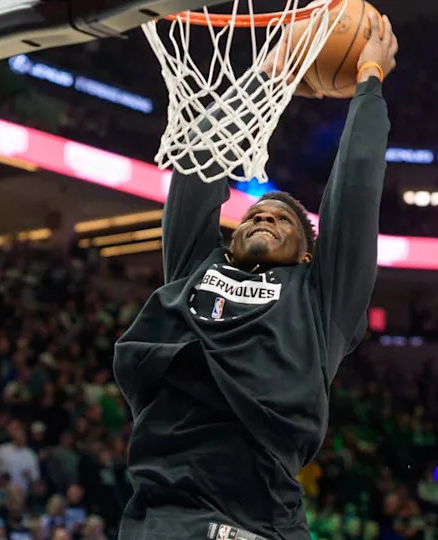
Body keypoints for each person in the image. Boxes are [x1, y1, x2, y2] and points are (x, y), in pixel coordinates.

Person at [112, 12, 398, 540]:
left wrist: (370, 83)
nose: (264, 215)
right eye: (253, 215)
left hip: (258, 520)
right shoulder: (194, 269)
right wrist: (269, 71)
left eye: (283, 219)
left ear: (308, 257)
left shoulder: (319, 303)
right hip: (165, 518)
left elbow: (355, 193)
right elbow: (200, 160)